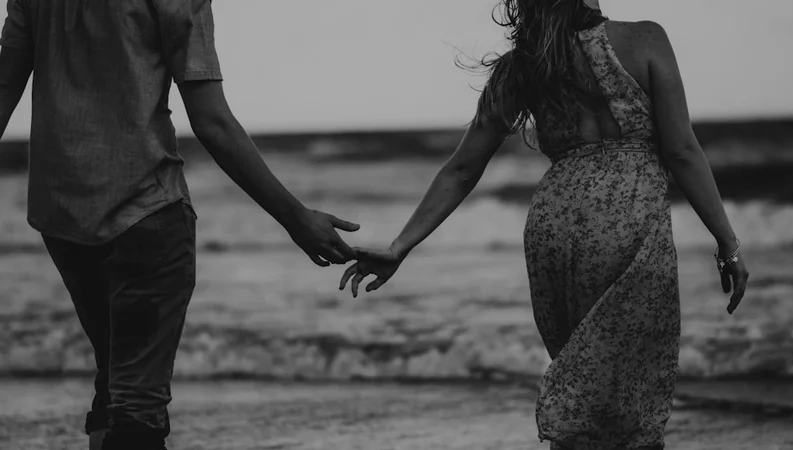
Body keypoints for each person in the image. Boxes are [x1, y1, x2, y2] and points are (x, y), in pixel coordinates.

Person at [341, 0, 749, 448]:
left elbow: (461, 169)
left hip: (553, 226)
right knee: (631, 394)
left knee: (583, 381)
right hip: (625, 221)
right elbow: (683, 151)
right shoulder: (646, 38)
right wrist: (726, 242)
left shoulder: (525, 65)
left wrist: (400, 246)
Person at [0, 1, 359, 449]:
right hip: (144, 208)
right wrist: (295, 217)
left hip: (62, 215)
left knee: (116, 378)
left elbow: (4, 86)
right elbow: (212, 121)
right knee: (136, 406)